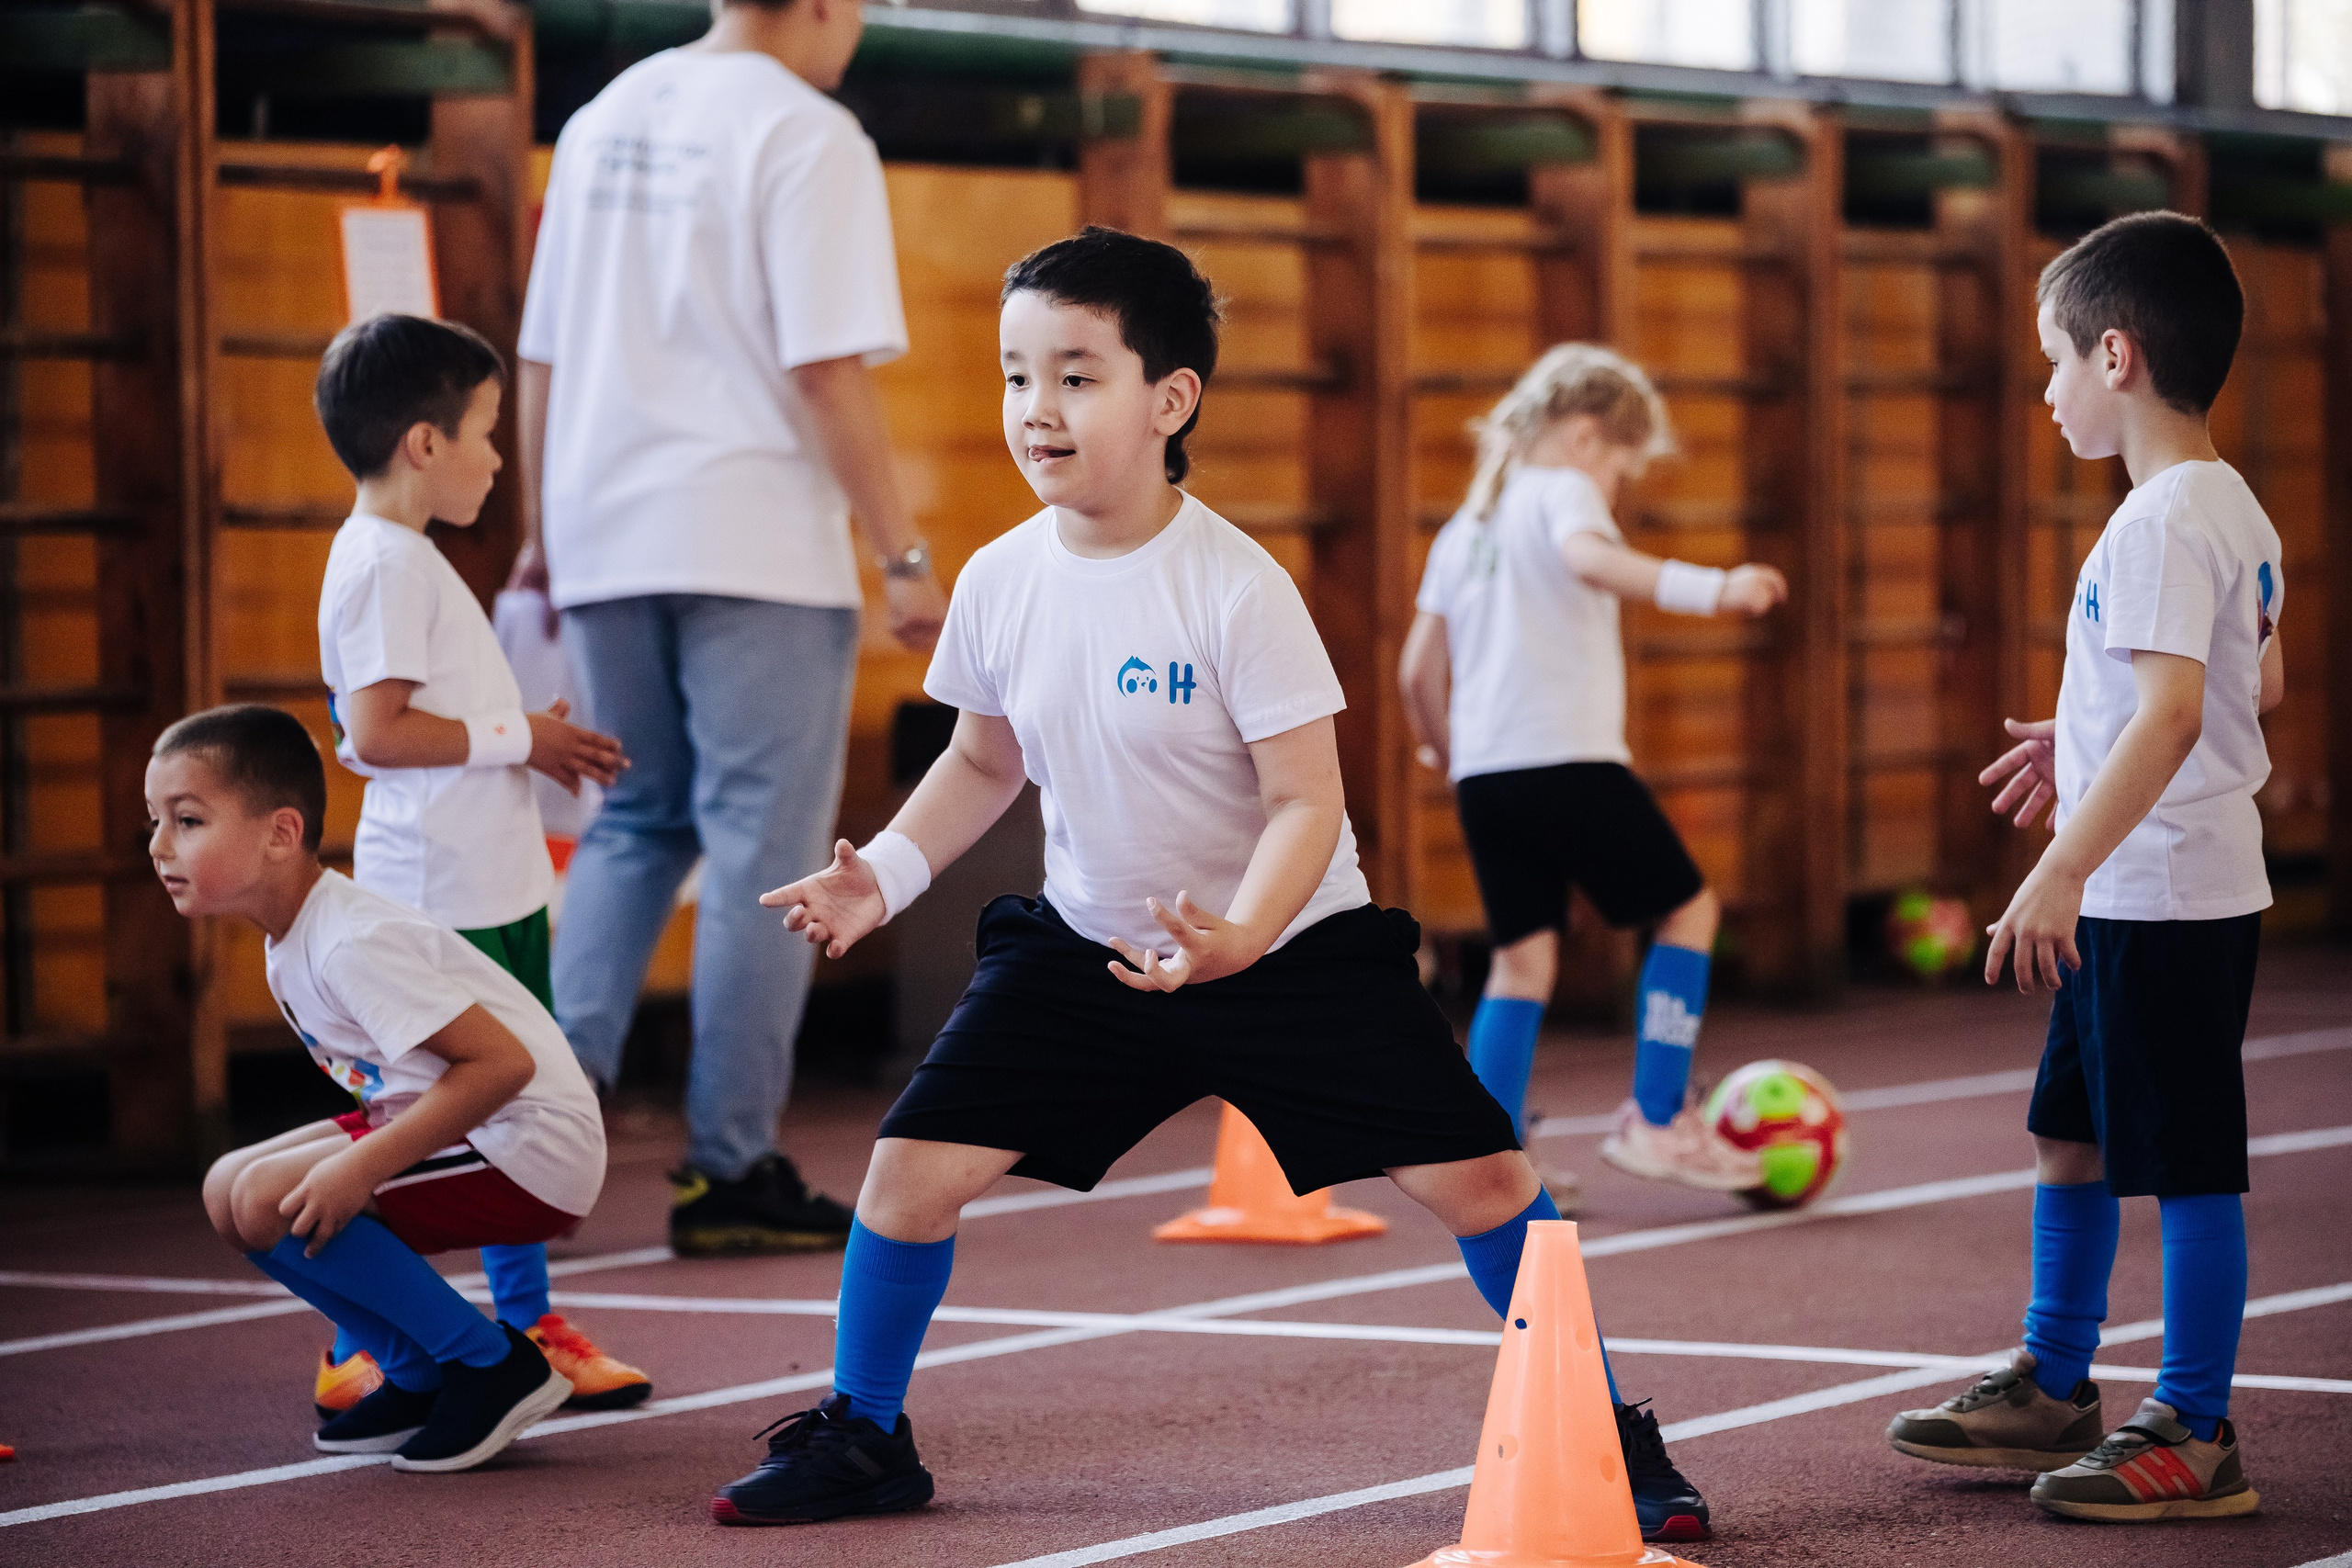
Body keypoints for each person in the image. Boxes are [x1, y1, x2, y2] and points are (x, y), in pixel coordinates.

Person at [701, 228, 1713, 1545]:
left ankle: (1600, 1425)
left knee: (1485, 1187)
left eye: (1076, 375)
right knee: (906, 1178)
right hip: (1088, 955)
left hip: (1291, 951)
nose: (1035, 409)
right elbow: (981, 757)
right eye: (1015, 376)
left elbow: (1310, 801)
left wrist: (1243, 931)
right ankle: (867, 1429)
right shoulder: (1003, 578)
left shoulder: (1236, 587)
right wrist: (879, 879)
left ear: (1170, 399)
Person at [514, 0, 947, 1258]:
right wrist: (903, 557)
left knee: (637, 821)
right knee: (769, 846)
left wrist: (546, 526)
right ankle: (730, 1162)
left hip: (600, 523)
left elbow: (541, 354)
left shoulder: (604, 120)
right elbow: (824, 368)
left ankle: (532, 1124)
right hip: (750, 530)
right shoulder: (808, 134)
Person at [1887, 212, 2278, 1524]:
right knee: (2073, 1131)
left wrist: (2057, 864)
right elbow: (2249, 678)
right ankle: (2057, 1377)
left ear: (2116, 356)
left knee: (2185, 1157)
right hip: (2139, 886)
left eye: (2054, 360)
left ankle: (2196, 1422)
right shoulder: (2220, 504)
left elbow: (2179, 714)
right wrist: (2083, 727)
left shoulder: (2165, 520)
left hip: (2158, 891)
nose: (2045, 390)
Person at [307, 313, 649, 1419]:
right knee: (431, 1112)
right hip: (440, 900)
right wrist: (523, 740)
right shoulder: (382, 564)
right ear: (423, 444)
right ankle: (359, 1328)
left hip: (492, 887)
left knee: (517, 1111)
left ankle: (524, 1319)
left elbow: (429, 718)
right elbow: (376, 733)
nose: (500, 459)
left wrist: (510, 724)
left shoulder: (412, 561)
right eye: (488, 434)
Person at [1398, 344, 1788, 1203]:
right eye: (1622, 465)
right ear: (1584, 439)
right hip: (1566, 753)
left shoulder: (1467, 527)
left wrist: (1448, 750)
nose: (1616, 486)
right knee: (1689, 909)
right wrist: (1712, 588)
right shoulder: (1562, 492)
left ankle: (1488, 1149)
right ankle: (1657, 1116)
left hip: (1488, 774)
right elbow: (1588, 559)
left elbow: (1416, 672)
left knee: (1522, 961)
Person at [168, 705, 602, 1471]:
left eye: (189, 820)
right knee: (228, 1190)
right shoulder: (290, 938)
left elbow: (502, 1067)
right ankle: (418, 1369)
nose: (160, 845)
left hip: (529, 1142)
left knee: (273, 1197)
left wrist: (360, 1165)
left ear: (281, 832)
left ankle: (489, 1364)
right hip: (472, 1125)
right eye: (157, 821)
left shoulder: (349, 942)